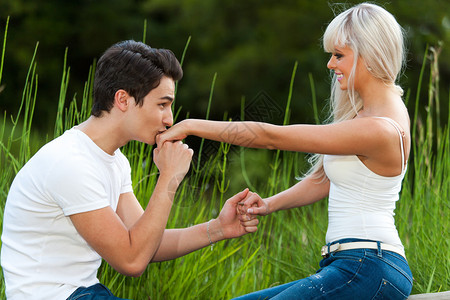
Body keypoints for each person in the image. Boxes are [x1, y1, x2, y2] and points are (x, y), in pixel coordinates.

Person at [157, 3, 413, 299]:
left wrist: (191, 125)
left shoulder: (379, 129)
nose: (330, 64)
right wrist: (268, 204)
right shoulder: (368, 117)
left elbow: (270, 137)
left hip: (370, 266)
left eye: (339, 55)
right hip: (351, 264)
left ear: (369, 55)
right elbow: (324, 180)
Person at [0, 40, 259, 300]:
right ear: (123, 99)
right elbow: (132, 261)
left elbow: (146, 245)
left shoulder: (115, 161)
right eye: (162, 105)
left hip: (87, 294)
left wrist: (218, 228)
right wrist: (169, 177)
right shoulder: (70, 162)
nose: (169, 119)